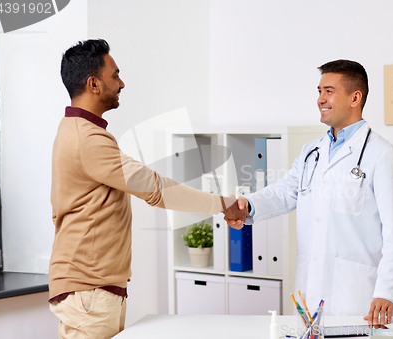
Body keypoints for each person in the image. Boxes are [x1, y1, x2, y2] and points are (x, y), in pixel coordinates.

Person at [49, 39, 248, 339]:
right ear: (93, 84)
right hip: (89, 291)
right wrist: (223, 204)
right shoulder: (87, 139)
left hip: (90, 288)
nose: (122, 83)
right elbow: (155, 189)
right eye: (114, 76)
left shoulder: (75, 131)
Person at [226, 60, 393, 326]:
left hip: (356, 297)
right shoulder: (311, 152)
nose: (320, 99)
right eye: (319, 91)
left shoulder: (383, 156)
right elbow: (284, 192)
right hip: (309, 293)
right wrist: (247, 205)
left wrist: (387, 292)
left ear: (355, 97)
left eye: (329, 91)